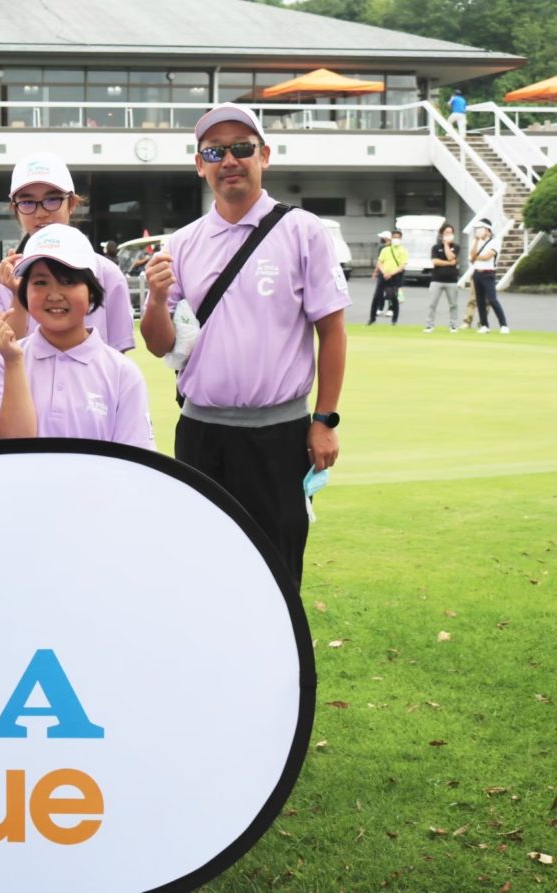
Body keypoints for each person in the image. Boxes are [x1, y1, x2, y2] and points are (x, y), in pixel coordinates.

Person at [140, 102, 348, 588]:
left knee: (277, 569)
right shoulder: (183, 243)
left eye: (241, 148)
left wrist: (325, 420)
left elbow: (333, 330)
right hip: (201, 432)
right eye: (215, 151)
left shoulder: (302, 230)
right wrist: (155, 299)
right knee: (200, 565)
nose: (229, 160)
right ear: (200, 165)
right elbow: (161, 346)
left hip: (278, 434)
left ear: (264, 156)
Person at [0, 224, 154, 448]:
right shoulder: (0, 362)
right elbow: (16, 445)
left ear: (91, 291)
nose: (54, 295)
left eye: (68, 281)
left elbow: (132, 459)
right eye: (40, 282)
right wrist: (13, 362)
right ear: (24, 292)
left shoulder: (122, 373)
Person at [0, 153, 135, 356]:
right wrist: (18, 297)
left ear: (72, 204)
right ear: (15, 209)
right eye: (27, 203)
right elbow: (5, 353)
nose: (41, 213)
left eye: (52, 199)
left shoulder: (107, 273)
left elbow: (117, 356)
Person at [469, 218, 508, 334]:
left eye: (481, 228)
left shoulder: (495, 241)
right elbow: (471, 256)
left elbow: (487, 257)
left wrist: (476, 257)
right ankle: (484, 325)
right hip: (477, 273)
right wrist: (476, 241)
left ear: (487, 229)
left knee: (492, 299)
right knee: (480, 301)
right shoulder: (476, 241)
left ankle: (503, 325)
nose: (478, 231)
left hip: (488, 273)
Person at [424, 222, 460, 333]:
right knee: (432, 304)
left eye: (450, 233)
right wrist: (449, 263)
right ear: (441, 234)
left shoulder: (456, 247)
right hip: (437, 279)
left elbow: (451, 257)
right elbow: (435, 261)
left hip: (452, 280)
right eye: (446, 233)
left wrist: (446, 246)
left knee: (453, 304)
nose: (449, 235)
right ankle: (429, 325)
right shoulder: (435, 247)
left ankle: (453, 325)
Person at [368, 230, 406, 325]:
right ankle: (372, 318)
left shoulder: (403, 251)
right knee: (377, 297)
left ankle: (394, 320)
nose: (396, 239)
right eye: (394, 237)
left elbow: (402, 265)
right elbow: (380, 262)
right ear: (391, 238)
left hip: (395, 276)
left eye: (398, 237)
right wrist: (383, 272)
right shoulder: (385, 250)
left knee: (393, 297)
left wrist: (391, 273)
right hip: (383, 275)